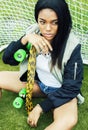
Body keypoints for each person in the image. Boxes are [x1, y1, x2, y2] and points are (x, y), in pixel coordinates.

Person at [0, 0, 84, 129]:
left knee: (67, 121)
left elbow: (71, 88)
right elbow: (7, 59)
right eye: (42, 22)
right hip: (38, 84)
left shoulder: (72, 45)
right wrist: (25, 39)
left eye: (55, 22)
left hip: (61, 91)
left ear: (63, 21)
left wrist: (40, 107)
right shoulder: (34, 32)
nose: (47, 28)